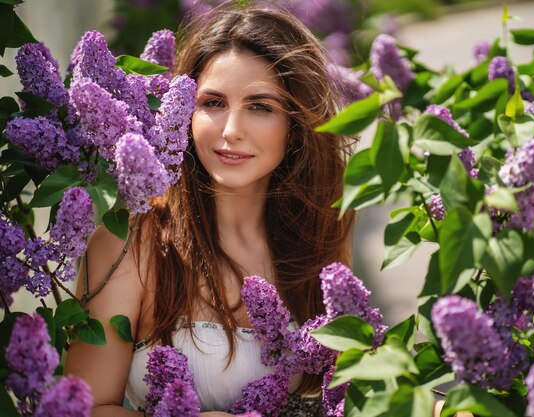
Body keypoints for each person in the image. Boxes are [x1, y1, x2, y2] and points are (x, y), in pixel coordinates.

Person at [64, 3, 354, 416]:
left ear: (294, 129)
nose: (231, 130)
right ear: (185, 112)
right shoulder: (131, 243)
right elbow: (83, 408)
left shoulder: (320, 237)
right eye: (213, 103)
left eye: (260, 107)